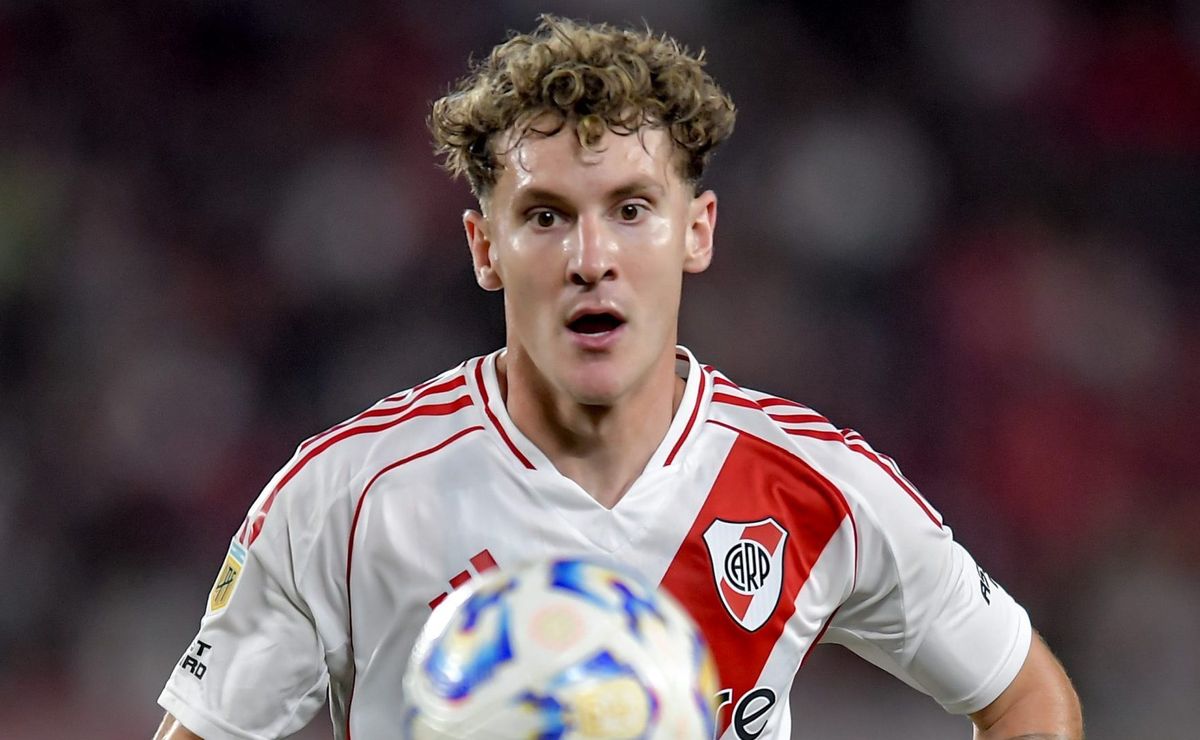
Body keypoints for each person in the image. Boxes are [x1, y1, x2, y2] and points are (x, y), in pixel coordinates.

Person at [154, 15, 1082, 740]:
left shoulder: (814, 487)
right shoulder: (344, 498)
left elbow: (1026, 697)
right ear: (484, 247)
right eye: (546, 216)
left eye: (632, 209)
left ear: (697, 231)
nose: (590, 258)